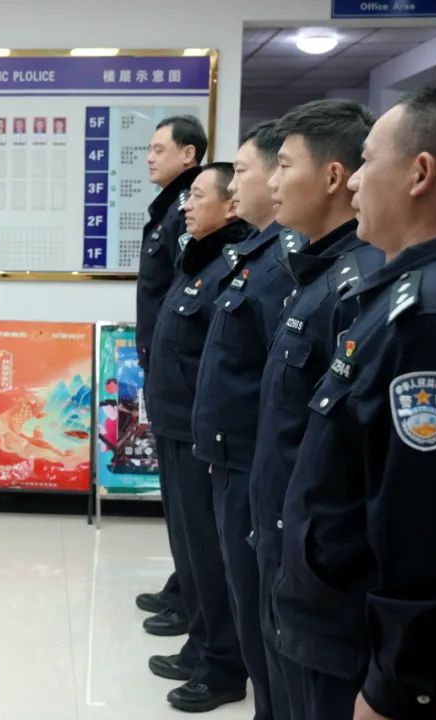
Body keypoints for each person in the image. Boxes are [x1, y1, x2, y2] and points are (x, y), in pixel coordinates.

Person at [276, 83, 436, 720]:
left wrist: (394, 689)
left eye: (369, 161)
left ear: (420, 174)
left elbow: (429, 525)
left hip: (362, 650)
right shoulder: (419, 291)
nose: (353, 181)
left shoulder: (435, 319)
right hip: (340, 624)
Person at [245, 99, 382, 718]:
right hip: (283, 533)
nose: (272, 181)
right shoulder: (317, 272)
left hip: (315, 555)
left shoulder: (357, 285)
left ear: (331, 176)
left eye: (284, 165)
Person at [190, 120, 300, 720]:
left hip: (254, 460)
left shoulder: (287, 266)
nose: (236, 187)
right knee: (243, 593)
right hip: (230, 453)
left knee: (261, 611)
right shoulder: (257, 256)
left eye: (244, 171)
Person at [145, 163, 254, 712]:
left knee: (210, 554)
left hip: (198, 433)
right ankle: (201, 644)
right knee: (190, 550)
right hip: (173, 423)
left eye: (198, 196)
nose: (186, 206)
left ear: (230, 206)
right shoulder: (200, 260)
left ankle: (221, 665)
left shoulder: (233, 267)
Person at [134, 114, 206, 638]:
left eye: (160, 149)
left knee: (189, 500)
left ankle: (193, 602)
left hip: (181, 372)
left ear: (188, 154)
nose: (149, 157)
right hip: (165, 366)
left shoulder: (188, 210)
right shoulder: (169, 209)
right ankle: (184, 586)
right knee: (177, 496)